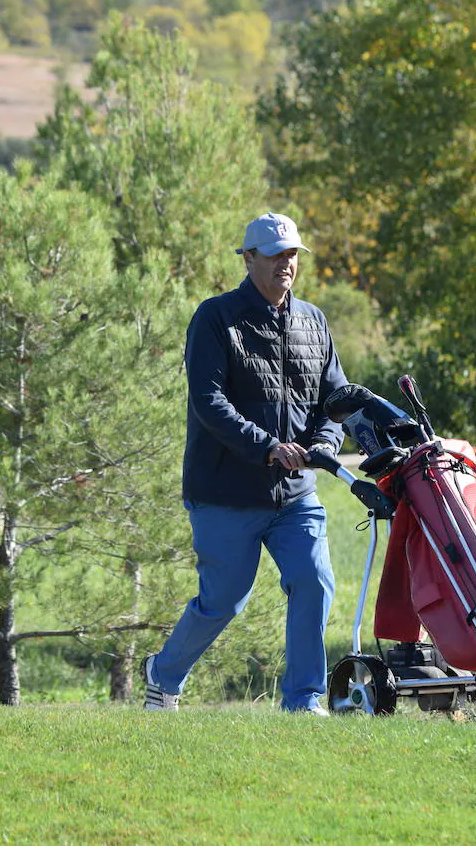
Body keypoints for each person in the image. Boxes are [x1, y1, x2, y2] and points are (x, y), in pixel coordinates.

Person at [144, 213, 348, 714]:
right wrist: (267, 446)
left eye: (293, 254)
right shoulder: (215, 318)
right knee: (224, 601)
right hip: (226, 491)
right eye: (275, 254)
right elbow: (209, 402)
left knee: (314, 581)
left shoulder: (313, 321)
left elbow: (335, 399)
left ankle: (304, 701)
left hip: (295, 494)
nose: (287, 263)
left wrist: (323, 440)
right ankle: (163, 674)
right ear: (248, 258)